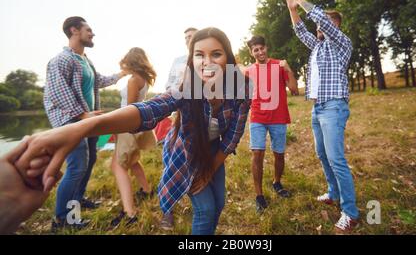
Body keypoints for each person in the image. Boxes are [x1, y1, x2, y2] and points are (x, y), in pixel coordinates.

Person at [16, 27, 251, 235]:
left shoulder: (241, 87)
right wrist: (83, 126)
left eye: (216, 54)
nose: (206, 62)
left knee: (219, 203)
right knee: (207, 210)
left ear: (228, 58)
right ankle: (66, 215)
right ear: (192, 59)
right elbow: (148, 108)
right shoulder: (186, 87)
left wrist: (210, 168)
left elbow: (232, 138)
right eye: (199, 55)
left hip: (215, 149)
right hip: (186, 151)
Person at [285, 0, 359, 233]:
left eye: (324, 24)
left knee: (336, 158)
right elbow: (300, 31)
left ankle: (350, 212)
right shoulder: (317, 48)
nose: (318, 27)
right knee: (322, 154)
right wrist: (293, 9)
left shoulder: (341, 45)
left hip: (334, 107)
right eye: (319, 24)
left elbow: (322, 22)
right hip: (317, 108)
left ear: (335, 26)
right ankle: (333, 192)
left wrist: (305, 3)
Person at [43, 16, 129, 230]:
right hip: (71, 122)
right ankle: (63, 219)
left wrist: (122, 73)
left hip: (87, 121)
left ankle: (77, 199)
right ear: (74, 31)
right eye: (88, 30)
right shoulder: (61, 60)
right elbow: (58, 93)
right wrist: (83, 115)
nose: (92, 33)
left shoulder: (85, 60)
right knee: (77, 167)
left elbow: (98, 81)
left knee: (89, 162)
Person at [241, 36, 298, 213]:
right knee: (257, 154)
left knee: (279, 154)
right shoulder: (249, 70)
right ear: (252, 53)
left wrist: (288, 68)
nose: (260, 52)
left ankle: (277, 182)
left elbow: (294, 89)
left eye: (261, 48)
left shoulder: (279, 66)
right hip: (258, 116)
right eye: (255, 50)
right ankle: (259, 196)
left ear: (266, 47)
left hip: (278, 117)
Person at [110, 47, 157, 228]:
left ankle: (129, 213)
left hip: (127, 126)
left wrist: (115, 125)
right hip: (138, 125)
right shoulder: (143, 79)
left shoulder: (133, 80)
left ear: (132, 62)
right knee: (133, 160)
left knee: (118, 165)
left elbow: (129, 108)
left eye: (126, 63)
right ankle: (146, 190)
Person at [157, 27, 197, 230]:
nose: (189, 40)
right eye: (187, 38)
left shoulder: (206, 60)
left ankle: (196, 200)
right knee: (171, 161)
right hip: (178, 117)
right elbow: (168, 86)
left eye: (193, 36)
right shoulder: (178, 61)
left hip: (201, 121)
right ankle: (167, 210)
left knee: (195, 162)